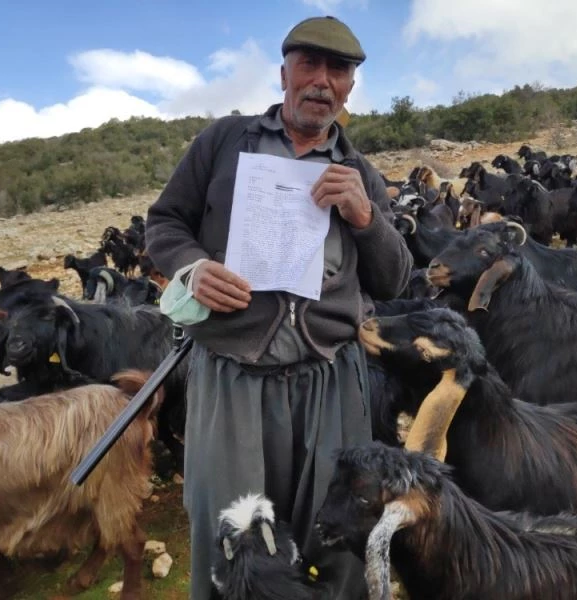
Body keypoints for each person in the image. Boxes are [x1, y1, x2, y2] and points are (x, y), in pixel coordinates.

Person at [145, 15, 412, 599]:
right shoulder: (223, 142)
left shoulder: (360, 171)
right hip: (234, 378)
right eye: (308, 65)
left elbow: (394, 279)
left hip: (331, 383)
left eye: (336, 70)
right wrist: (192, 269)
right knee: (233, 535)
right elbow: (164, 223)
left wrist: (365, 219)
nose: (321, 80)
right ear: (284, 72)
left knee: (335, 533)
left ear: (349, 86)